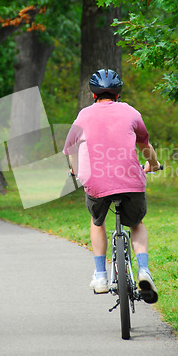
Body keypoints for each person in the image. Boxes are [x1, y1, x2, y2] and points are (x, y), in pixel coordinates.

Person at [63, 69, 160, 303]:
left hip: (95, 182)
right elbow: (145, 145)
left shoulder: (83, 115)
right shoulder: (130, 112)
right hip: (130, 180)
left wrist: (76, 172)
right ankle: (144, 270)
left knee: (98, 222)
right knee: (136, 224)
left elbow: (71, 150)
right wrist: (153, 164)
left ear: (93, 94)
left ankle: (100, 276)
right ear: (118, 93)